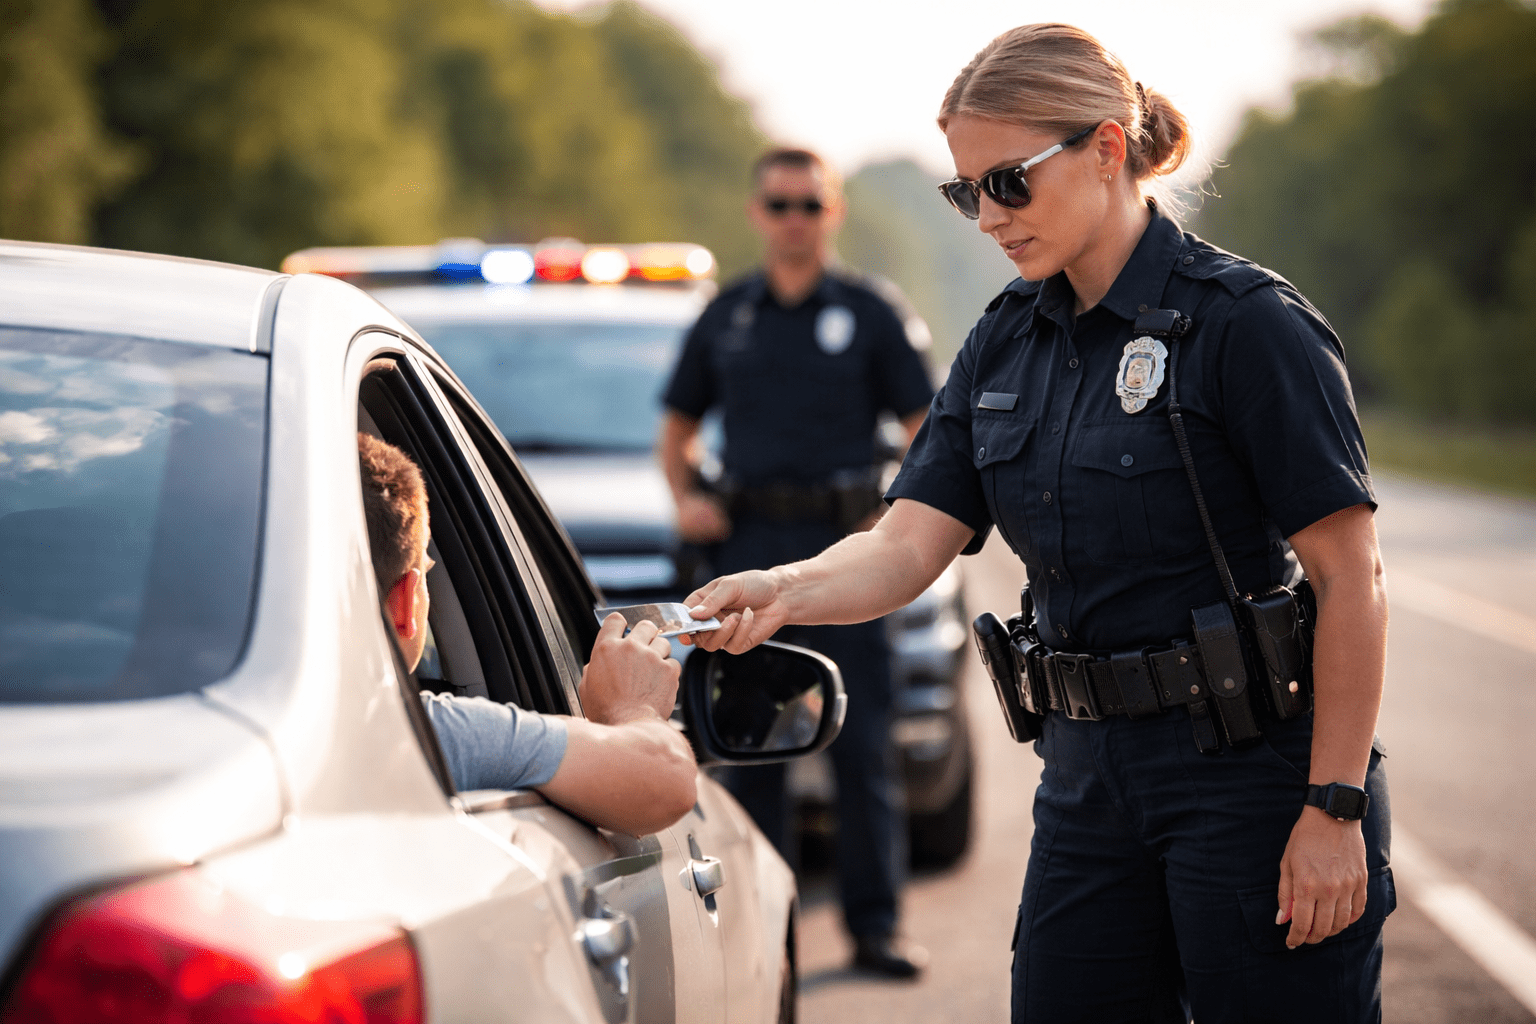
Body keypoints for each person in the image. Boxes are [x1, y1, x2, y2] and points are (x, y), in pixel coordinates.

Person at [682, 24, 1392, 1023]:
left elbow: (1349, 574)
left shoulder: (1246, 324)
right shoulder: (1004, 340)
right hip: (1086, 781)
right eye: (964, 190)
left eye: (1006, 181)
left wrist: (1335, 805)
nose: (986, 216)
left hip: (1251, 775)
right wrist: (783, 588)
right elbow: (902, 546)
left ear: (1107, 150)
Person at [657, 148, 936, 978]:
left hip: (846, 555)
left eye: (808, 205)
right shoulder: (728, 316)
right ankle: (760, 936)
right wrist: (686, 497)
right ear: (757, 212)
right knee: (755, 747)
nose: (793, 220)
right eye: (779, 204)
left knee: (861, 745)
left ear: (832, 212)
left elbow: (929, 430)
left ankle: (875, 929)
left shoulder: (871, 312)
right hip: (748, 551)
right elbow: (676, 431)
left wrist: (895, 517)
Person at [358, 431, 697, 838]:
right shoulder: (436, 731)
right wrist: (633, 711)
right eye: (428, 576)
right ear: (405, 605)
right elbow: (667, 783)